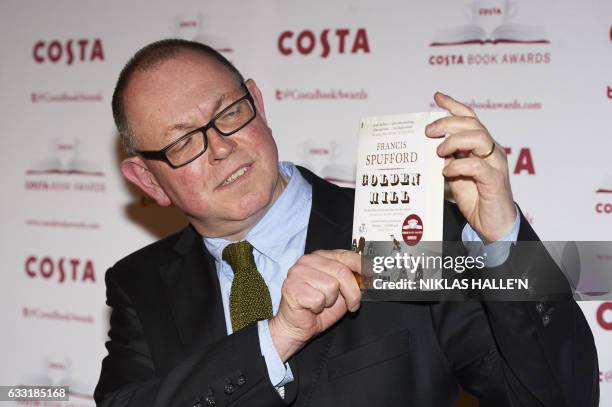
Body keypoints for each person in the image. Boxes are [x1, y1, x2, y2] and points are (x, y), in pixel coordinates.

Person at [94, 39, 598, 407]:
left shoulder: (405, 234)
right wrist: (276, 339)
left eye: (228, 113)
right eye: (184, 142)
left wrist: (502, 244)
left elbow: (559, 395)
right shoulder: (140, 282)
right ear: (148, 180)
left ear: (259, 105)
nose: (221, 146)